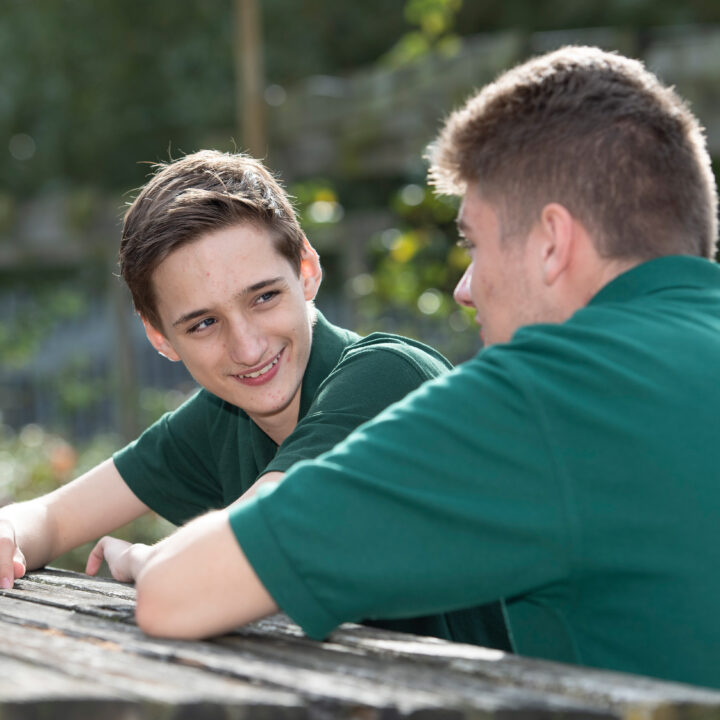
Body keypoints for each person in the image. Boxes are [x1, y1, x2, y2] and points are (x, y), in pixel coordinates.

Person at [116, 46, 720, 689]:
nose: (466, 288)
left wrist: (155, 558)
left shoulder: (540, 398)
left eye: (474, 244)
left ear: (552, 243)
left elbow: (177, 593)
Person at [0, 150, 509, 648]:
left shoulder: (387, 381)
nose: (247, 347)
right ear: (159, 337)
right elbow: (51, 517)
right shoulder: (222, 416)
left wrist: (144, 559)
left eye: (263, 297)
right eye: (203, 323)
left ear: (307, 270)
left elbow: (200, 571)